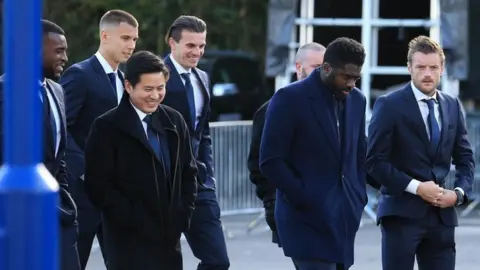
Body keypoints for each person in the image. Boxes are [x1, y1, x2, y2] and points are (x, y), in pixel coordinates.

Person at [366, 35, 474, 270]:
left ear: (442, 69)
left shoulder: (452, 105)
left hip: (442, 218)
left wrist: (458, 194)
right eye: (421, 67)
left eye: (433, 67)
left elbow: (465, 158)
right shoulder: (389, 105)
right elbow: (374, 161)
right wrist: (417, 187)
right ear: (409, 68)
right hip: (400, 215)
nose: (427, 73)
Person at [260, 37, 368, 270]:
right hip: (304, 221)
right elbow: (271, 160)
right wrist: (305, 196)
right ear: (326, 68)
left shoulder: (357, 100)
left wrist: (357, 197)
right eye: (346, 76)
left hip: (343, 221)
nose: (351, 83)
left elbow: (359, 155)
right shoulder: (289, 98)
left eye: (356, 78)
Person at [84, 50, 198, 270]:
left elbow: (188, 172)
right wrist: (131, 219)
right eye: (148, 89)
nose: (155, 95)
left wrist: (183, 214)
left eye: (160, 88)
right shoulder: (106, 127)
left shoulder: (174, 121)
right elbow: (98, 185)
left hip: (169, 238)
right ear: (128, 86)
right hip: (127, 241)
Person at [59, 9, 138, 269]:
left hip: (118, 195)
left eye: (135, 39)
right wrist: (85, 171)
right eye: (125, 38)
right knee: (75, 262)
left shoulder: (125, 80)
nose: (131, 45)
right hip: (84, 195)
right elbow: (63, 129)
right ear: (105, 36)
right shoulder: (79, 75)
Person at [0, 19, 80, 270]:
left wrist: (67, 202)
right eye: (58, 51)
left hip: (58, 213)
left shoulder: (57, 91)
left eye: (65, 50)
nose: (65, 57)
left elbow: (58, 155)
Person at [247, 42, 326, 270]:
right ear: (298, 67)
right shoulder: (273, 108)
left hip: (331, 213)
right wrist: (273, 202)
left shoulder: (336, 105)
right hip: (292, 209)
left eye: (326, 68)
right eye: (317, 67)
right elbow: (259, 163)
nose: (323, 74)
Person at [162, 15, 230, 270]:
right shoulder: (155, 78)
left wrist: (208, 175)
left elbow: (204, 133)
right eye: (191, 46)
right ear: (172, 43)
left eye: (201, 46)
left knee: (217, 260)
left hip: (199, 184)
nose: (197, 52)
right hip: (164, 186)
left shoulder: (202, 77)